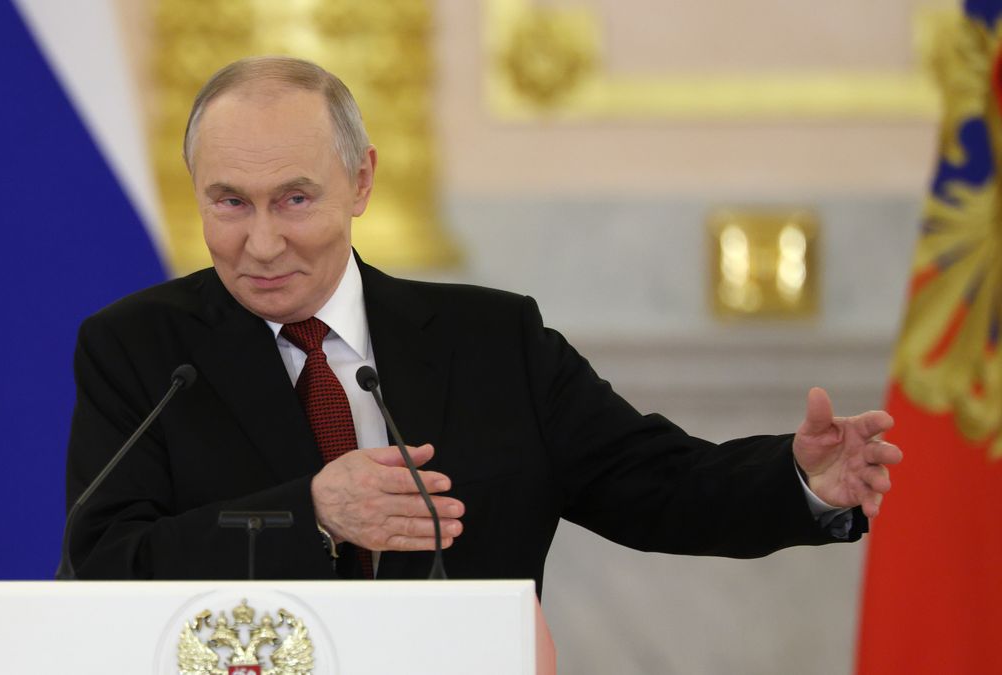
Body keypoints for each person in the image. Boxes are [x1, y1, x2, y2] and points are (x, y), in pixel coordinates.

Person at [64, 56, 902, 587]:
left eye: (294, 198)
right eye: (229, 203)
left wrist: (799, 482)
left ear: (360, 184)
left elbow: (660, 487)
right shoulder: (139, 351)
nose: (262, 241)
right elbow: (102, 564)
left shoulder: (493, 341)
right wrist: (311, 511)